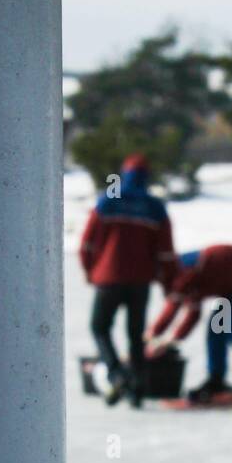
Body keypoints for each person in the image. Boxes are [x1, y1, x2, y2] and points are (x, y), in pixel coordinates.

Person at [79, 154, 174, 406]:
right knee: (135, 335)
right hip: (140, 282)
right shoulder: (155, 207)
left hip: (108, 279)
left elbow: (86, 244)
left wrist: (90, 271)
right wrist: (167, 283)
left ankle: (116, 373)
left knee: (100, 327)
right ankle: (137, 390)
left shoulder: (108, 201)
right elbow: (165, 252)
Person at [145, 243, 232, 404]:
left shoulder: (182, 273)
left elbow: (182, 312)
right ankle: (216, 381)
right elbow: (183, 309)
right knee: (216, 328)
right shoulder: (173, 275)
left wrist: (160, 339)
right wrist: (158, 338)